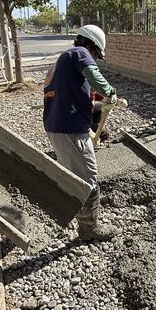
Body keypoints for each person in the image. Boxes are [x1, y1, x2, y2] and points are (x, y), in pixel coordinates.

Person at [43, 24, 118, 240]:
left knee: (73, 175)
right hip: (70, 130)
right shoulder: (80, 53)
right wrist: (110, 92)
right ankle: (89, 230)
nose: (94, 58)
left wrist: (95, 109)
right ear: (90, 44)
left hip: (57, 126)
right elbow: (96, 77)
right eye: (96, 53)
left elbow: (71, 94)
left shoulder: (63, 61)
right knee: (88, 181)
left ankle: (68, 213)